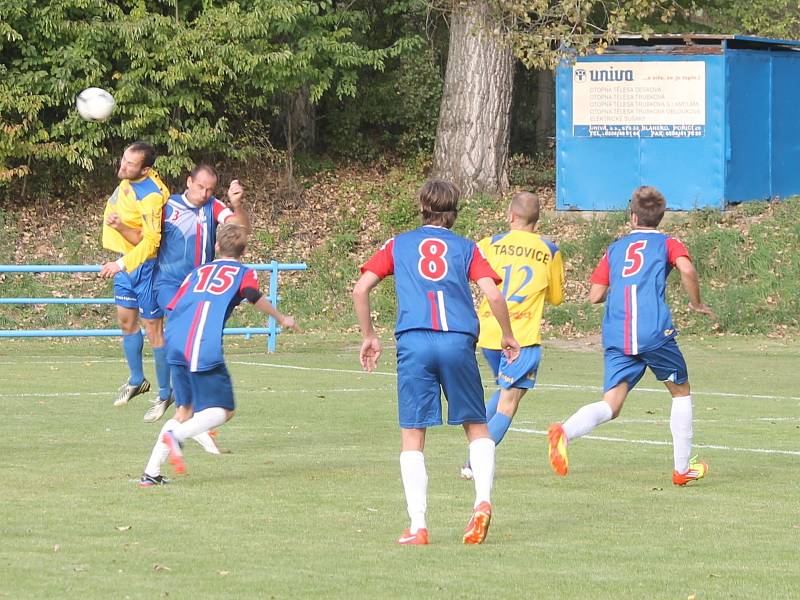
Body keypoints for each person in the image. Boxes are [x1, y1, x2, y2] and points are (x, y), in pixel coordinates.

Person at [352, 179, 521, 546]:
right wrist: (507, 334)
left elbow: (360, 287)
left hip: (414, 341)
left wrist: (369, 334)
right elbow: (492, 292)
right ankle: (482, 501)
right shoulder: (466, 248)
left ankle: (418, 526)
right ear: (454, 212)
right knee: (477, 426)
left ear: (422, 207)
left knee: (413, 435)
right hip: (458, 341)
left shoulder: (399, 244)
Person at [547, 186, 715, 486]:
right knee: (681, 391)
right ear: (660, 217)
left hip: (617, 332)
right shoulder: (668, 243)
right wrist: (696, 303)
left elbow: (594, 295)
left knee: (611, 404)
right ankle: (681, 469)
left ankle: (564, 432)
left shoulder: (615, 248)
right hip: (652, 330)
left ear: (633, 215)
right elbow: (687, 269)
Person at [139, 223, 299, 486]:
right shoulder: (242, 273)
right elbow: (251, 294)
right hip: (201, 343)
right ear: (244, 250)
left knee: (184, 409)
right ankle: (177, 437)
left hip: (175, 338)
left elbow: (175, 303)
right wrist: (282, 318)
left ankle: (151, 473)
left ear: (216, 246)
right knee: (224, 410)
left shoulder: (197, 272)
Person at [460, 191, 564, 480]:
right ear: (537, 220)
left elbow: (465, 276)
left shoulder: (488, 244)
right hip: (521, 338)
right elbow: (556, 298)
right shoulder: (549, 250)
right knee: (510, 401)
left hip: (488, 333)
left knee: (505, 389)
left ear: (510, 216)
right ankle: (474, 462)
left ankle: (476, 438)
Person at [142, 163, 251, 423]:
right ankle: (173, 397)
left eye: (210, 189)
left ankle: (186, 406)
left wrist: (237, 205)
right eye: (201, 187)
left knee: (190, 338)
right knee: (180, 330)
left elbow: (241, 231)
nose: (205, 193)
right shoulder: (167, 207)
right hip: (167, 284)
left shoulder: (213, 207)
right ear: (189, 181)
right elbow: (144, 236)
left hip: (198, 287)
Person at [99, 141, 170, 409]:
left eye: (130, 163)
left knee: (154, 330)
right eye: (123, 159)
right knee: (127, 322)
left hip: (147, 267)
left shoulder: (150, 196)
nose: (123, 165)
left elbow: (150, 242)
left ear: (146, 169)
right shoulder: (132, 179)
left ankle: (165, 394)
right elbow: (136, 233)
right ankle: (137, 380)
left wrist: (120, 264)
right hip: (128, 263)